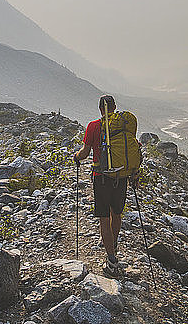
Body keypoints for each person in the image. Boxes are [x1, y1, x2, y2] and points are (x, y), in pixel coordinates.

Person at [74, 95, 130, 276]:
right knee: (117, 213)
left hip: (101, 177)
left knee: (104, 218)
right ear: (114, 107)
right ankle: (113, 244)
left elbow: (84, 153)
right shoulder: (123, 126)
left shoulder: (93, 126)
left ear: (100, 109)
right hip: (121, 177)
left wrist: (76, 156)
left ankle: (111, 260)